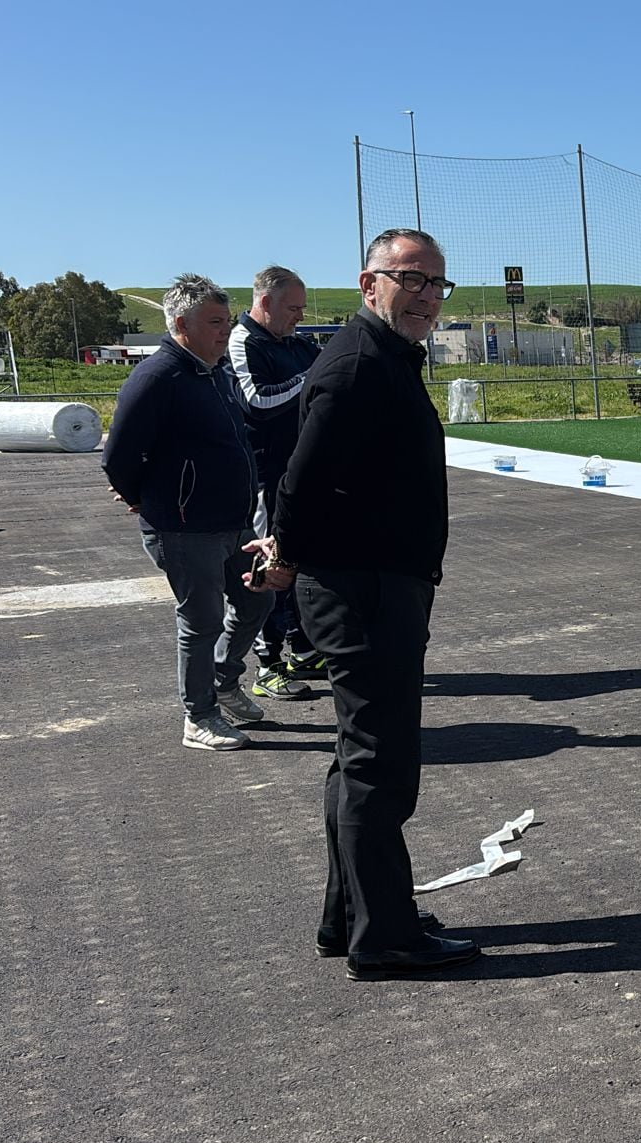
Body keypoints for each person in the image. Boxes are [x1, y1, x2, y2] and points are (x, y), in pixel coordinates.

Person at [249, 228, 476, 979]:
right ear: (369, 282)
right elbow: (301, 478)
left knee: (357, 761)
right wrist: (284, 554)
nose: (425, 296)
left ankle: (351, 915)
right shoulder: (356, 365)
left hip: (377, 582)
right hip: (365, 588)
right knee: (382, 765)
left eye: (435, 284)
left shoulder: (382, 358)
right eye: (410, 279)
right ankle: (386, 936)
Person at [101, 274, 275, 751]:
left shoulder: (215, 372)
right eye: (215, 322)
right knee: (201, 621)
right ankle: (198, 716)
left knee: (258, 598)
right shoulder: (158, 377)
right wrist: (143, 498)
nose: (226, 330)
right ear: (181, 324)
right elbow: (118, 455)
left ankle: (223, 681)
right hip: (183, 527)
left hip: (234, 522)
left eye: (227, 320)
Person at [228, 266, 323, 701]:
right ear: (265, 303)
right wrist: (310, 379)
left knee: (305, 558)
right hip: (267, 475)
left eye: (303, 309)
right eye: (293, 308)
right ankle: (267, 665)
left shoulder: (297, 343)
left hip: (303, 472)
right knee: (272, 562)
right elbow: (259, 401)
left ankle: (302, 649)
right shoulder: (243, 339)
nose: (299, 317)